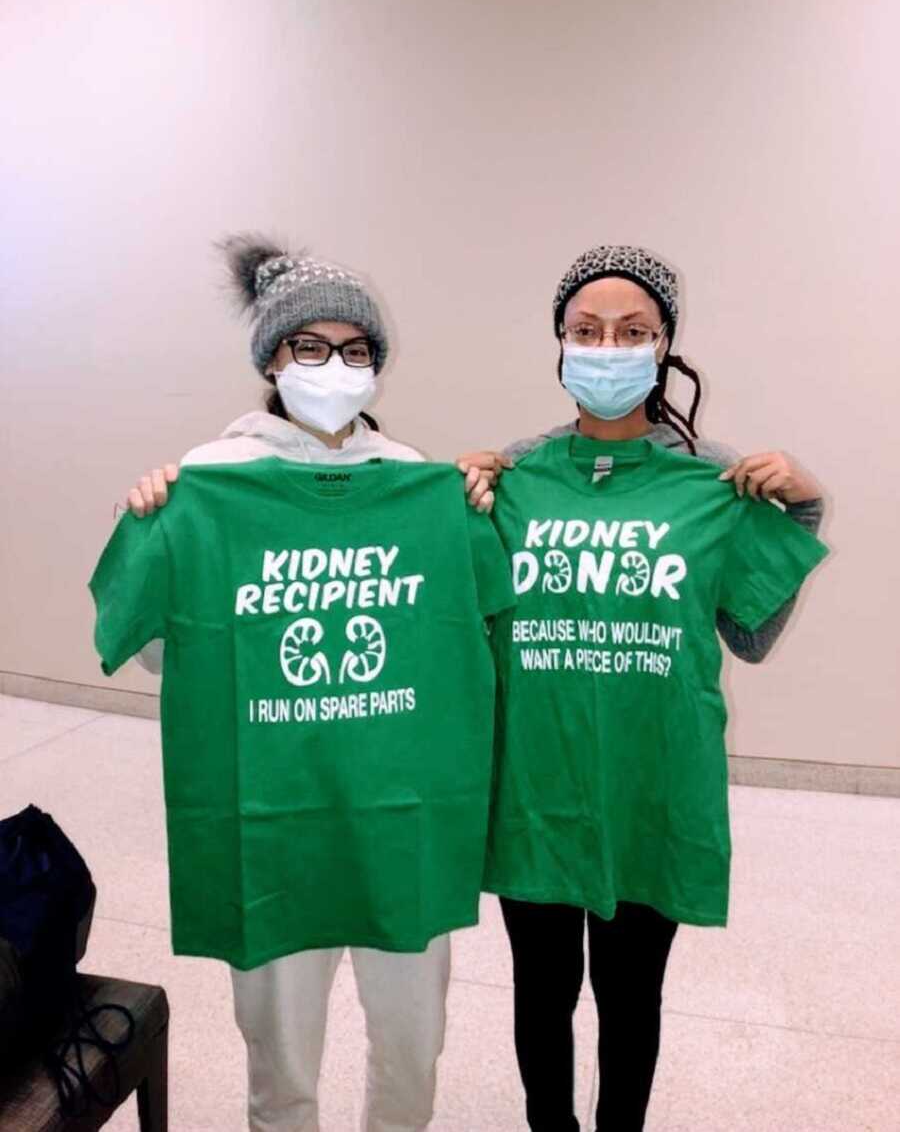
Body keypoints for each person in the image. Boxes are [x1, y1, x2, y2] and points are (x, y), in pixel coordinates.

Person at [106, 235, 505, 1132]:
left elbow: (481, 624)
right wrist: (166, 536)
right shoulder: (211, 481)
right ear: (273, 360)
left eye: (355, 350)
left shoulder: (417, 482)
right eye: (310, 347)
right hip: (276, 823)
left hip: (399, 818)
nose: (334, 366)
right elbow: (166, 655)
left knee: (414, 1043)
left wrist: (474, 516)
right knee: (280, 1061)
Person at [464, 245, 828, 1132]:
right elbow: (459, 629)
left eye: (632, 331)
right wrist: (457, 504)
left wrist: (805, 510)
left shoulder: (713, 480)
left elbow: (748, 632)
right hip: (537, 792)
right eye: (587, 330)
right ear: (558, 343)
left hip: (649, 789)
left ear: (664, 344)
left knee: (631, 998)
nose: (609, 346)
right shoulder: (514, 476)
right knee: (540, 992)